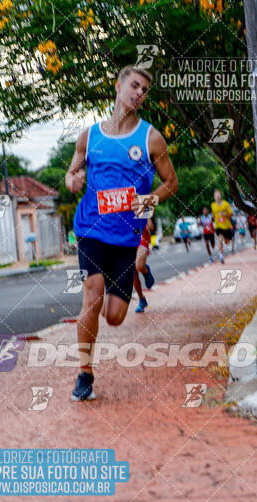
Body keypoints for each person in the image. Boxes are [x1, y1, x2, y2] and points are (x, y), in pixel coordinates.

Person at [65, 65, 178, 401]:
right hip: (90, 228)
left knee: (114, 317)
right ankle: (84, 373)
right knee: (92, 294)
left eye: (144, 90)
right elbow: (72, 172)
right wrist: (73, 181)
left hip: (127, 238)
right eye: (134, 85)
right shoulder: (90, 136)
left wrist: (149, 200)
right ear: (118, 86)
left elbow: (171, 183)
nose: (139, 93)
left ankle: (101, 318)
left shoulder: (150, 138)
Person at [134, 218, 155, 313]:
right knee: (132, 273)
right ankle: (142, 300)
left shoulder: (142, 204)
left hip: (142, 236)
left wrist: (148, 216)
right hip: (127, 237)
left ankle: (145, 271)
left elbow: (151, 227)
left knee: (139, 265)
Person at [211, 189, 233, 264]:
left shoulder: (226, 204)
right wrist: (213, 217)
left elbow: (231, 215)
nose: (217, 196)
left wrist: (224, 215)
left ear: (220, 195)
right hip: (218, 226)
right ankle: (221, 256)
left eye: (218, 195)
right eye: (215, 195)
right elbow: (213, 215)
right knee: (220, 240)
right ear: (214, 197)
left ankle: (226, 241)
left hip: (226, 226)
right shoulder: (213, 205)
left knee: (226, 242)